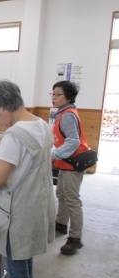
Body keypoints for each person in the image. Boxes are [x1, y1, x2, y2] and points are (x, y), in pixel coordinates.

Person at [0, 80, 55, 278]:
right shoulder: (41, 124)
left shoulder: (13, 135)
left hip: (19, 212)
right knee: (25, 257)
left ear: (1, 108)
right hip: (38, 204)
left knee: (16, 268)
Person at [50, 80, 88, 255]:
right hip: (66, 164)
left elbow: (73, 141)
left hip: (73, 164)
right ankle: (61, 224)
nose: (54, 98)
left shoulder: (67, 115)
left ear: (69, 97)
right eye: (53, 94)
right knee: (62, 194)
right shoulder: (62, 113)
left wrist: (53, 155)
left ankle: (75, 238)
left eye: (58, 95)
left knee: (72, 199)